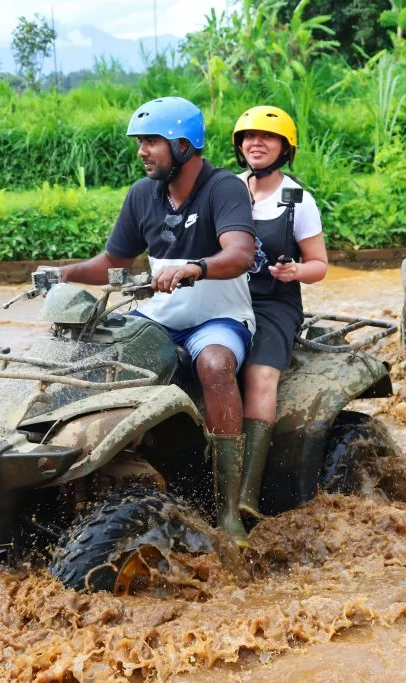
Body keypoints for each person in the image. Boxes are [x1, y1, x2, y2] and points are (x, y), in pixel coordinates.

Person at [56, 97, 256, 546]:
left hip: (217, 317)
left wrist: (195, 268)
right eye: (140, 142)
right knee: (100, 358)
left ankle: (227, 508)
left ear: (184, 146)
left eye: (152, 142)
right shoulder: (142, 194)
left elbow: (240, 254)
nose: (142, 151)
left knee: (215, 366)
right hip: (156, 317)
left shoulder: (223, 187)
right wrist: (67, 273)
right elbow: (114, 261)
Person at [230, 105, 328, 520]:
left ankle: (246, 491)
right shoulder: (226, 189)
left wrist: (295, 272)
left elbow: (320, 265)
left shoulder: (299, 200)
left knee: (259, 374)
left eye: (267, 138)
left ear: (285, 148)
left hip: (274, 303)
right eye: (248, 137)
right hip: (224, 297)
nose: (256, 143)